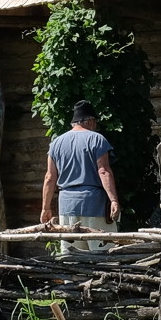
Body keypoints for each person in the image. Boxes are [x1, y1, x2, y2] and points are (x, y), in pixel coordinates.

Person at [40, 99, 120, 253]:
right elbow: (103, 171)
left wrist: (46, 208)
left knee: (71, 254)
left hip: (67, 206)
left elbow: (50, 177)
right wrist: (114, 200)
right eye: (94, 121)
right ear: (90, 121)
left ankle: (71, 278)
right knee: (103, 253)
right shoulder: (97, 139)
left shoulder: (56, 143)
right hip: (94, 204)